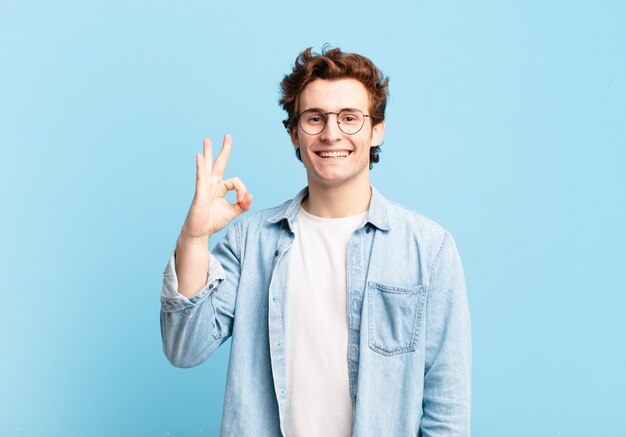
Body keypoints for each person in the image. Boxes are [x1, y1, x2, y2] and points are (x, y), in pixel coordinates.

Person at [161, 46, 471, 436]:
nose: (331, 133)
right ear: (294, 133)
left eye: (349, 118)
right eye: (314, 118)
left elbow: (447, 406)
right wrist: (194, 237)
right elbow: (183, 348)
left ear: (376, 129)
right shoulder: (250, 241)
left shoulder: (429, 248)